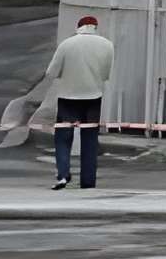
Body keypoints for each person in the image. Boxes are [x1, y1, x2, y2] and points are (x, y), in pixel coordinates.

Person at [42, 14, 116, 192]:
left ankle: (63, 174)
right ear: (95, 27)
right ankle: (88, 181)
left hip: (68, 97)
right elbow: (106, 74)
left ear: (79, 27)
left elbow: (51, 72)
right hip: (93, 97)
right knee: (90, 139)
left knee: (63, 138)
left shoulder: (67, 44)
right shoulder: (107, 45)